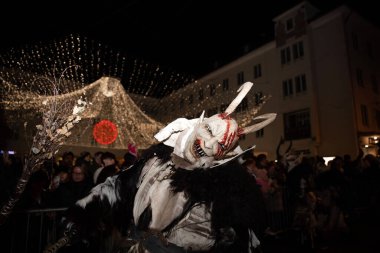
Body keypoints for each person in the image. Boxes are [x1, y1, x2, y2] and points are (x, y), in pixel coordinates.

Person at [56, 82, 277, 253]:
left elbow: (241, 235)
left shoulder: (226, 186)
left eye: (220, 144)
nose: (210, 144)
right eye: (210, 132)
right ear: (199, 125)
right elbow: (118, 187)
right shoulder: (156, 160)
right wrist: (84, 214)